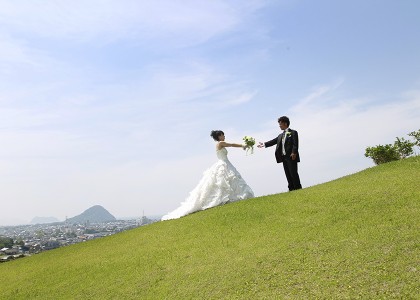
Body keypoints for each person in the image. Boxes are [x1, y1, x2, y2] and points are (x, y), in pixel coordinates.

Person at [161, 130, 254, 220]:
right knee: (226, 180)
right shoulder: (220, 143)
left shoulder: (220, 144)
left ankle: (233, 197)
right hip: (223, 164)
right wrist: (243, 145)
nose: (224, 136)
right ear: (219, 136)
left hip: (226, 163)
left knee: (230, 180)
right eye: (222, 135)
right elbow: (231, 144)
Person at [258, 116, 302, 191]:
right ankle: (291, 189)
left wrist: (294, 152)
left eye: (280, 124)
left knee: (293, 173)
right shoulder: (280, 136)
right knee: (287, 174)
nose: (279, 126)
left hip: (291, 156)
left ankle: (298, 188)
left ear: (285, 123)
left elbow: (295, 144)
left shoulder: (293, 132)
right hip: (284, 158)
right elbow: (273, 141)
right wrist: (264, 144)